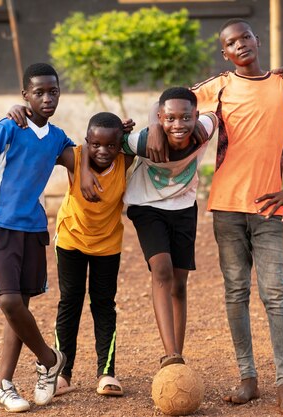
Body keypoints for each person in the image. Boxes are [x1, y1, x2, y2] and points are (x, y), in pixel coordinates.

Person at [146, 19, 283, 415]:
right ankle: (248, 378)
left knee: (275, 294)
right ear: (225, 53)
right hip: (226, 207)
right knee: (236, 293)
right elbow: (169, 102)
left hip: (269, 208)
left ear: (257, 40)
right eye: (231, 43)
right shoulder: (218, 87)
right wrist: (152, 125)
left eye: (245, 37)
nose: (240, 45)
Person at [81, 87, 218, 369]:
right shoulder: (144, 141)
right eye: (169, 119)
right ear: (159, 117)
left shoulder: (205, 129)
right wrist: (84, 169)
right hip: (146, 206)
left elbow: (215, 114)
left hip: (184, 209)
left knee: (180, 283)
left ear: (196, 116)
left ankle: (177, 358)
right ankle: (171, 356)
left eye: (185, 118)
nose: (178, 125)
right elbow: (98, 145)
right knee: (162, 269)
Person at [0, 63, 71, 412]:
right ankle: (50, 358)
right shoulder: (6, 127)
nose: (46, 98)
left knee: (19, 307)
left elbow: (84, 156)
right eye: (38, 92)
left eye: (52, 91)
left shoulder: (57, 138)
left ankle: (4, 385)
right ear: (24, 95)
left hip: (34, 229)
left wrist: (120, 135)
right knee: (9, 301)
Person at [52, 112, 134, 397]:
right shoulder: (74, 157)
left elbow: (149, 139)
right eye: (96, 145)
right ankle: (62, 373)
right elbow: (52, 144)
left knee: (103, 305)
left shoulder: (125, 162)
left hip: (107, 244)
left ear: (120, 144)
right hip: (71, 239)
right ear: (87, 142)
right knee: (70, 302)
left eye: (111, 145)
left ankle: (107, 373)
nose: (103, 151)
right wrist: (83, 166)